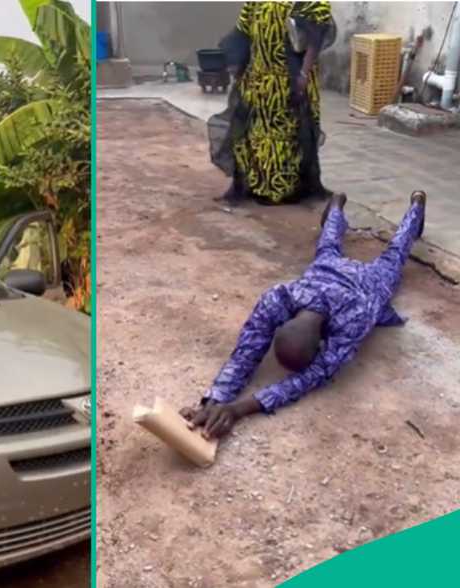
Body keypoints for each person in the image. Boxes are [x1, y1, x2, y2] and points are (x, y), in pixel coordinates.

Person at [182, 191, 428, 438]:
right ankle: (399, 204)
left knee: (390, 253)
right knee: (351, 246)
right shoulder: (277, 298)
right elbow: (247, 350)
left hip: (367, 282)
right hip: (327, 270)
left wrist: (238, 410)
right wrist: (213, 401)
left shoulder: (354, 317)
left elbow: (313, 376)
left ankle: (406, 206)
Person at [209, 1, 337, 205]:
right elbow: (243, 31)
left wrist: (303, 73)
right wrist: (239, 66)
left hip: (291, 80)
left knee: (286, 135)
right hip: (259, 78)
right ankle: (255, 185)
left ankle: (281, 189)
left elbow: (315, 36)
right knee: (252, 134)